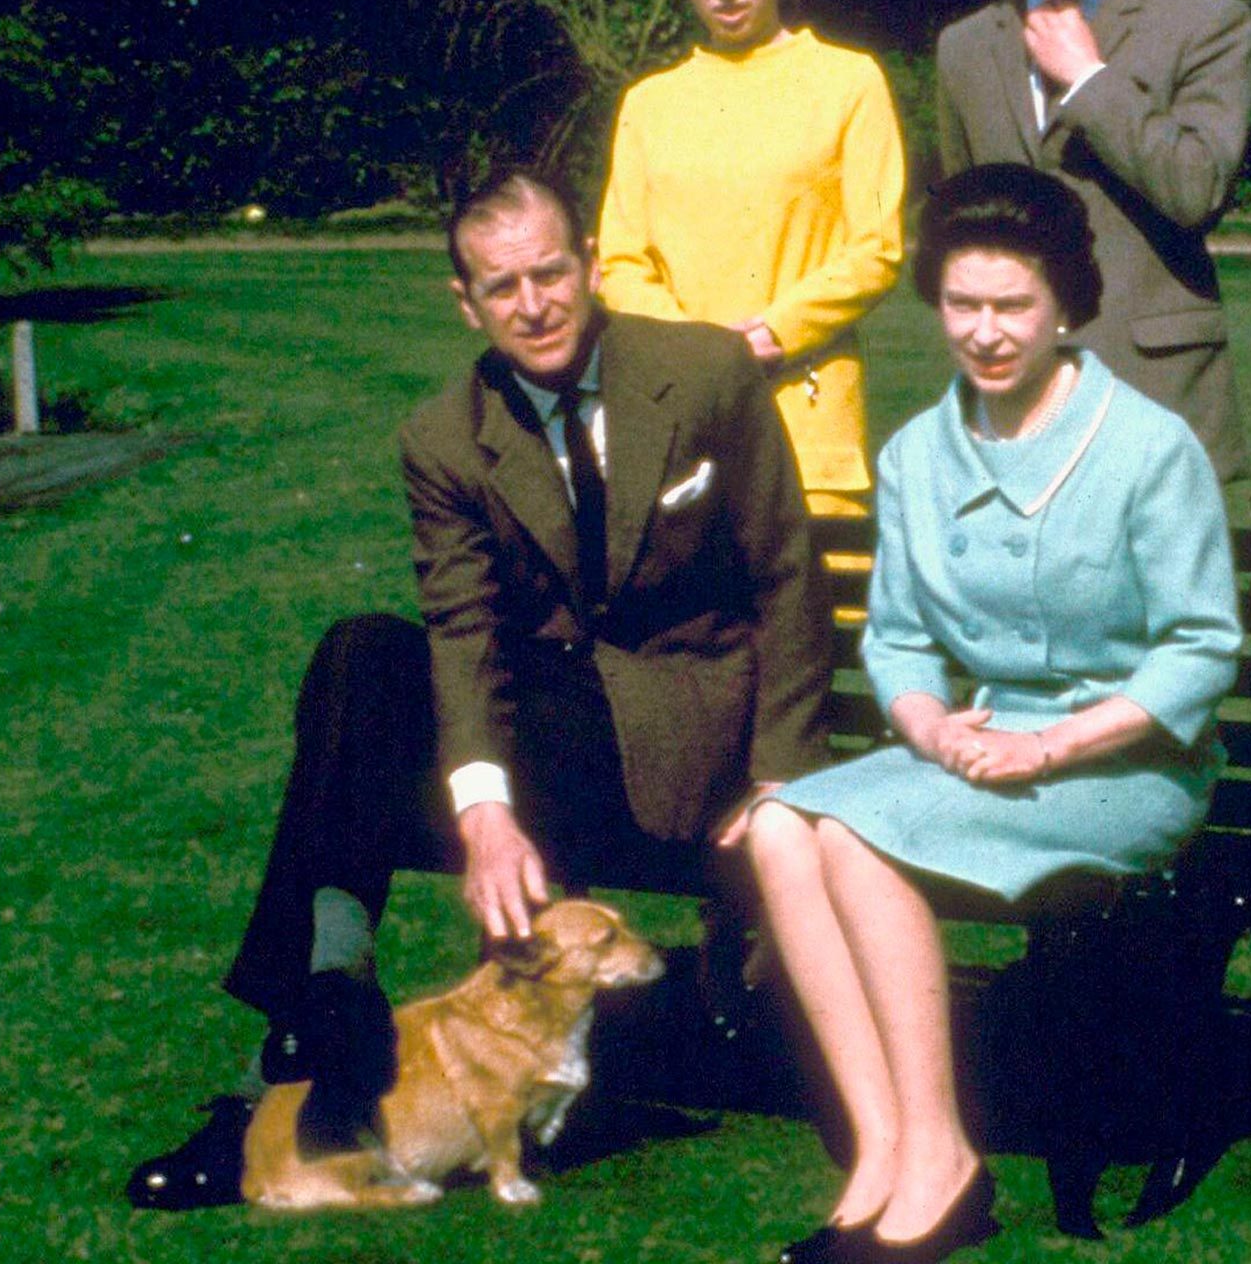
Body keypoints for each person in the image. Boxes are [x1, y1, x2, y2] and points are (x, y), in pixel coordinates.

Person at [126, 170, 831, 1210]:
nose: (534, 303)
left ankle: (276, 1079)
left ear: (590, 263)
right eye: (503, 288)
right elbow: (461, 631)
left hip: (687, 737)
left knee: (362, 747)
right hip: (550, 736)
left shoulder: (707, 372)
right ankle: (327, 996)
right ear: (467, 303)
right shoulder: (445, 434)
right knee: (363, 653)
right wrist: (485, 810)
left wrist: (785, 777)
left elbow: (789, 575)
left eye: (551, 273)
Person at [743, 163, 1240, 1264]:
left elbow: (1200, 647)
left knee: (860, 842)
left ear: (1067, 303)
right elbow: (900, 637)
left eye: (1013, 305)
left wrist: (1056, 740)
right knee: (782, 827)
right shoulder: (920, 453)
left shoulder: (1149, 448)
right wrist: (932, 728)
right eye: (962, 304)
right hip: (975, 751)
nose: (987, 331)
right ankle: (884, 1151)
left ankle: (944, 1162)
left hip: (1127, 765)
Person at [934, 0, 1251, 481]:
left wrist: (1088, 81)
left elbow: (1198, 188)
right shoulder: (963, 49)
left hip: (1155, 394)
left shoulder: (1205, 21)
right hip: (1010, 407)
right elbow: (962, 231)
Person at [600, 0, 906, 517]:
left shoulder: (849, 82)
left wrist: (773, 333)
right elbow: (622, 263)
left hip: (809, 414)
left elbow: (876, 249)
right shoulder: (649, 104)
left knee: (825, 616)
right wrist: (701, 354)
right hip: (682, 418)